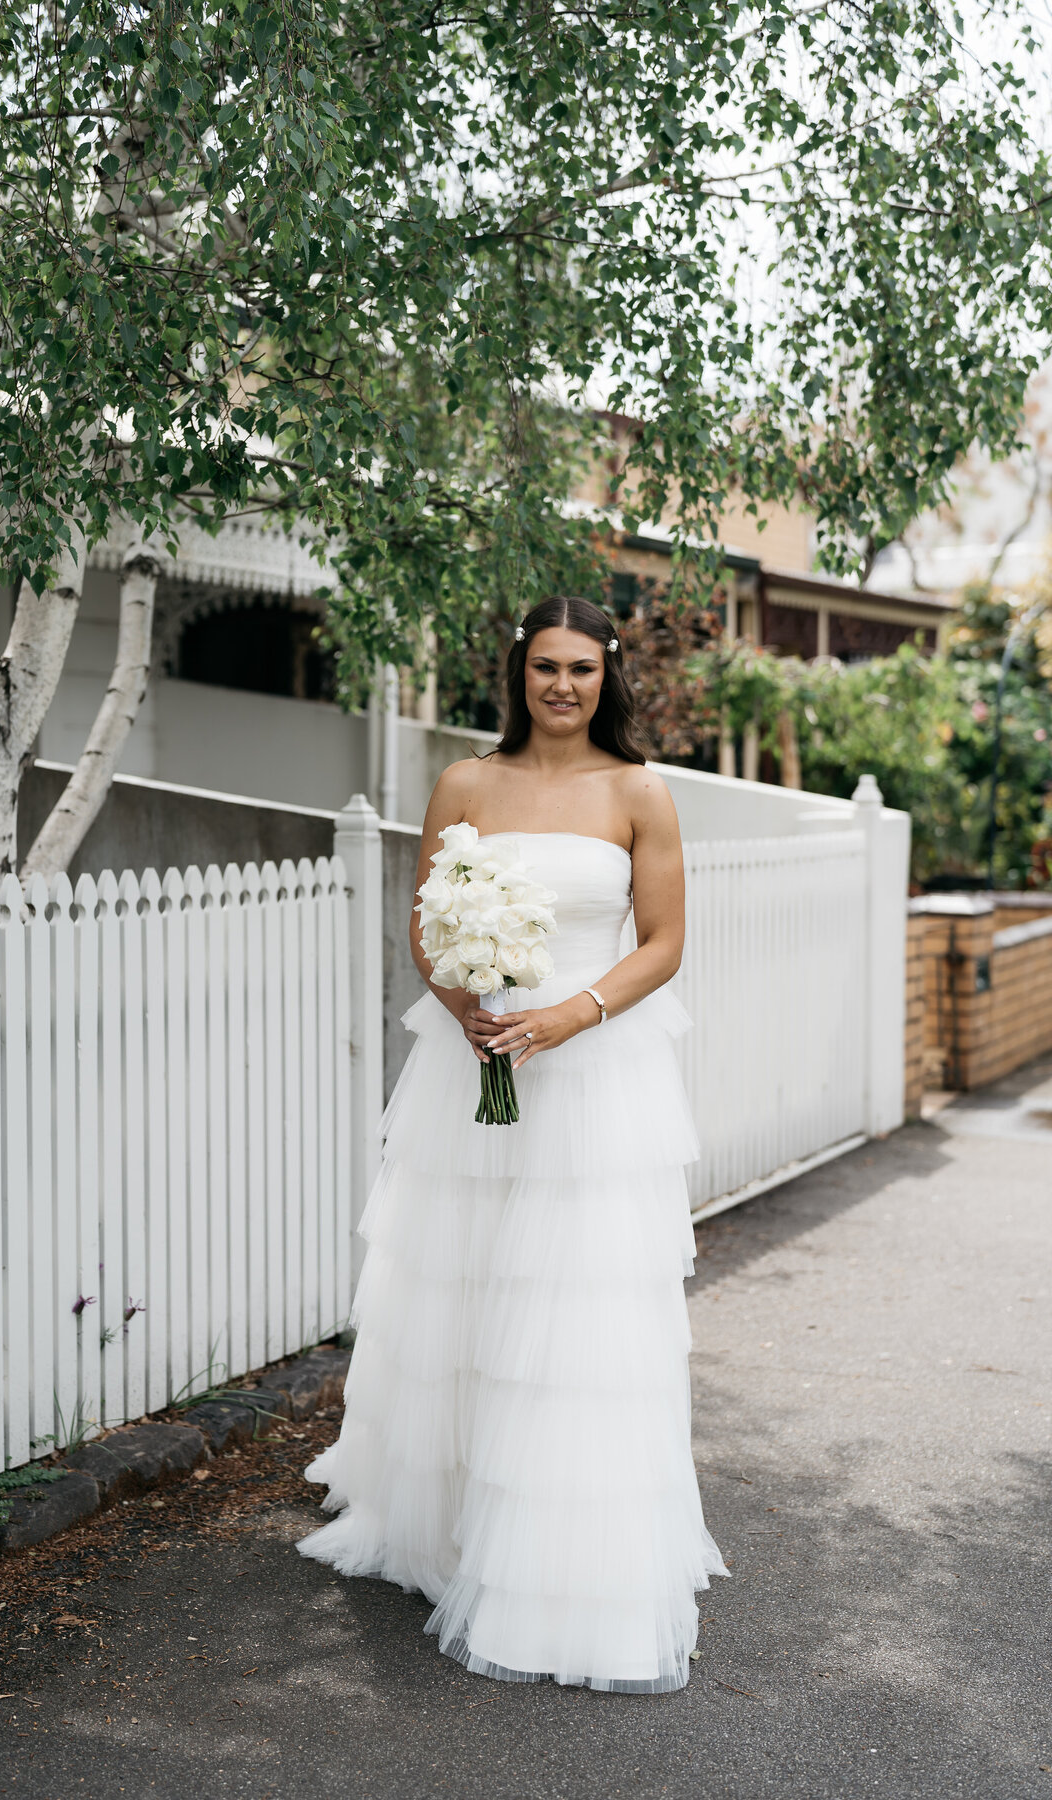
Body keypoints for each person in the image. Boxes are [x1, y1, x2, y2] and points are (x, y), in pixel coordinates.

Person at [297, 594, 725, 1691]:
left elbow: (666, 943)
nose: (564, 687)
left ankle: (558, 1552)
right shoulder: (465, 784)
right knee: (467, 1287)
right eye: (545, 667)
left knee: (570, 1308)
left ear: (608, 674)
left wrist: (565, 1016)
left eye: (583, 668)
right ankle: (444, 1527)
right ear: (518, 673)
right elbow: (425, 923)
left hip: (590, 1079)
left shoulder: (640, 793)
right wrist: (469, 1010)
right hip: (475, 1064)